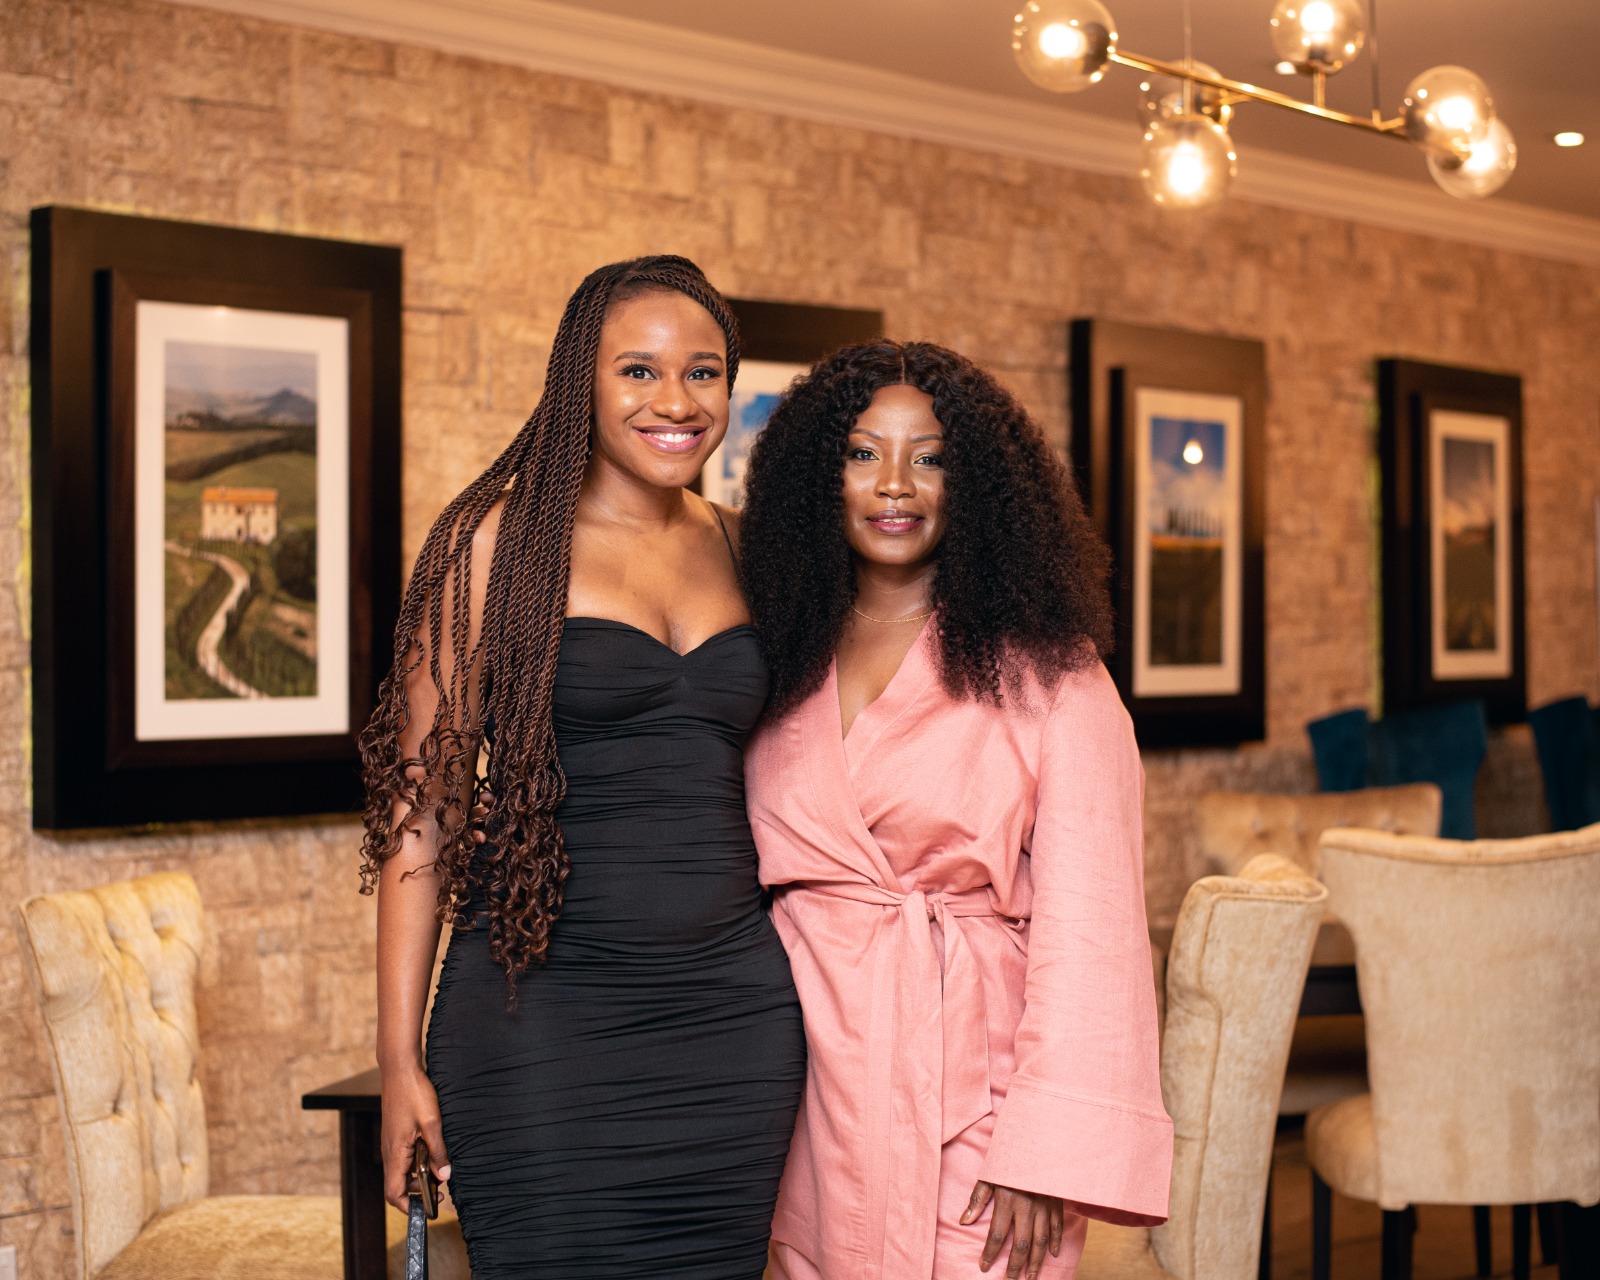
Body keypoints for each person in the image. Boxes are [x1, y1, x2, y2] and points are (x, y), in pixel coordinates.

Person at [358, 256, 805, 1280]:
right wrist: (397, 1059)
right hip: (540, 1019)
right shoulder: (493, 549)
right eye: (638, 371)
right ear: (580, 383)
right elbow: (421, 815)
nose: (675, 401)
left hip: (734, 1021)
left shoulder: (750, 551)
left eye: (703, 371)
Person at [737, 341, 1173, 1280]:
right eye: (863, 453)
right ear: (822, 473)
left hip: (976, 1105)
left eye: (929, 457)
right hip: (798, 1091)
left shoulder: (1052, 675)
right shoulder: (773, 654)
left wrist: (1043, 1149)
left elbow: (1093, 933)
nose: (895, 484)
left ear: (976, 485)